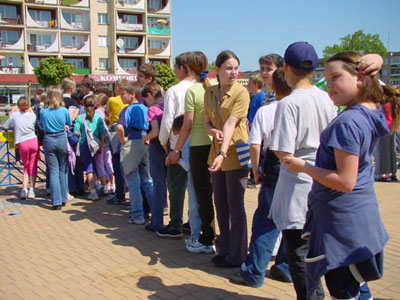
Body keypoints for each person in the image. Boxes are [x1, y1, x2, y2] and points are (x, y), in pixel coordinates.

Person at [282, 51, 393, 299]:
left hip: (343, 223)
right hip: (356, 218)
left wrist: (304, 166)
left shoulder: (349, 122)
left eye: (336, 77)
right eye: (327, 78)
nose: (329, 85)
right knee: (356, 286)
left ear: (360, 78)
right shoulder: (369, 111)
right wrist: (376, 59)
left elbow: (345, 181)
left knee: (345, 289)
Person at [268, 42, 337, 300]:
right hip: (324, 176)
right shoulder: (326, 98)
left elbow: (284, 153)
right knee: (317, 247)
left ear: (286, 67)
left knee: (298, 249)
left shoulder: (289, 102)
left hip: (298, 178)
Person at [232, 68, 293, 287]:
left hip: (275, 163)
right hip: (303, 167)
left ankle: (254, 271)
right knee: (294, 220)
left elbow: (255, 144)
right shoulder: (308, 106)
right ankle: (287, 267)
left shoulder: (267, 111)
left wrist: (256, 170)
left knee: (266, 220)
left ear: (272, 86)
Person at [204, 50, 250, 268]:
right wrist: (212, 132)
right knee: (220, 204)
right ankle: (225, 249)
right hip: (216, 155)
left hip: (234, 154)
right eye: (228, 68)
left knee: (236, 205)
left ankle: (238, 254)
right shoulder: (210, 92)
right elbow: (206, 123)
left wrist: (222, 154)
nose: (233, 72)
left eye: (235, 68)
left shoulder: (241, 92)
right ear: (218, 70)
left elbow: (231, 124)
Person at [167, 51, 215, 253]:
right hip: (215, 145)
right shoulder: (213, 87)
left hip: (197, 146)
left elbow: (186, 125)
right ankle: (210, 236)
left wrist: (176, 149)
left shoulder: (193, 91)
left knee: (199, 196)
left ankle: (202, 238)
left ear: (187, 68)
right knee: (213, 196)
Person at [157, 52, 195, 239]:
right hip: (198, 143)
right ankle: (194, 221)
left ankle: (175, 224)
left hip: (177, 143)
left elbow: (167, 121)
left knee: (176, 187)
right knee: (196, 188)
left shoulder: (174, 91)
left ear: (181, 68)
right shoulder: (203, 87)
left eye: (175, 66)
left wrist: (164, 142)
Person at [116, 81, 153, 225]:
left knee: (133, 181)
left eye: (123, 94)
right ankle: (154, 211)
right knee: (147, 180)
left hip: (132, 142)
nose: (121, 97)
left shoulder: (127, 110)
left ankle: (138, 215)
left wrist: (123, 140)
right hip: (145, 142)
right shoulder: (145, 108)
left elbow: (119, 127)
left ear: (132, 94)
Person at [40, 88, 72, 210]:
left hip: (48, 138)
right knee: (63, 169)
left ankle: (56, 201)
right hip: (61, 137)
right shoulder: (64, 110)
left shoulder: (44, 111)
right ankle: (64, 197)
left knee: (53, 171)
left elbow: (42, 125)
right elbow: (69, 123)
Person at [2, 97, 39, 199]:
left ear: (18, 106)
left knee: (26, 166)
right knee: (33, 166)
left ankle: (24, 189)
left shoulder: (14, 115)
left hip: (22, 142)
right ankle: (32, 189)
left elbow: (5, 126)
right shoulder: (32, 115)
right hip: (33, 141)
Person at [141, 83, 166, 232]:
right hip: (170, 147)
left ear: (149, 95)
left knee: (158, 185)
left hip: (157, 147)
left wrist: (145, 139)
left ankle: (156, 222)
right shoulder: (168, 106)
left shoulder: (153, 109)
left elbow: (155, 131)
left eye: (145, 99)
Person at [73, 94, 106, 201]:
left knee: (89, 168)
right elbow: (103, 133)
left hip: (84, 145)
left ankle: (92, 191)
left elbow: (76, 132)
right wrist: (101, 145)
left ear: (84, 105)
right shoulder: (98, 117)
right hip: (96, 145)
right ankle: (102, 186)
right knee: (98, 165)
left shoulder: (80, 118)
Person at [106, 78, 128, 205]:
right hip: (128, 131)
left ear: (118, 88)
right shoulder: (130, 101)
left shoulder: (112, 100)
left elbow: (108, 113)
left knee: (116, 161)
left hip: (116, 129)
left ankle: (120, 194)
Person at [95, 93, 115, 195]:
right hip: (107, 141)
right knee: (108, 162)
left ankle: (104, 186)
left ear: (98, 101)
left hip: (100, 141)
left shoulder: (96, 113)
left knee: (100, 163)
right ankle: (113, 183)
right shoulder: (106, 113)